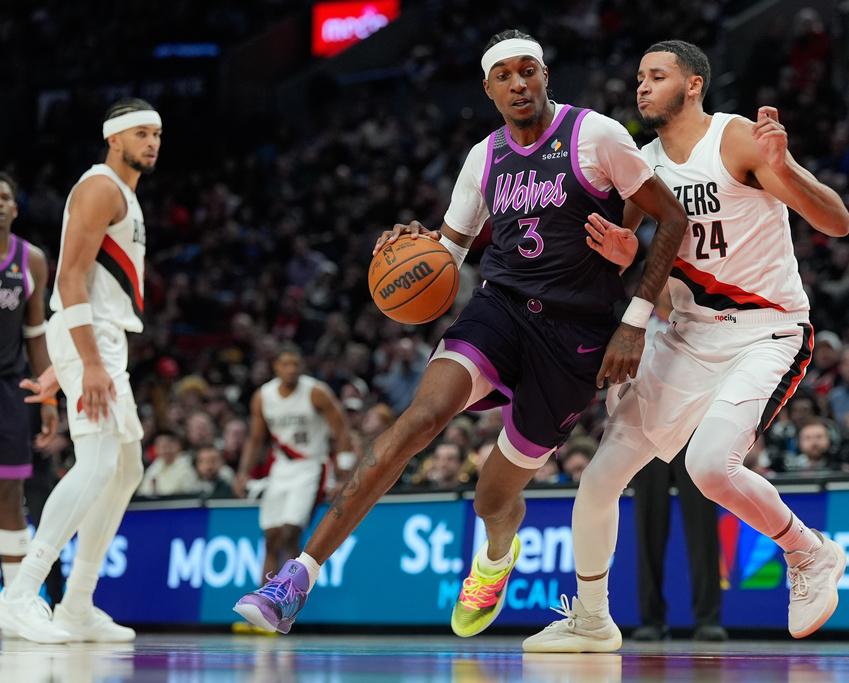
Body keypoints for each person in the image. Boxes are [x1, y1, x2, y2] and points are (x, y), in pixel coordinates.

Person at [233, 29, 688, 636]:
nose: (519, 83)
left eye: (529, 71)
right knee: (416, 422)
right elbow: (447, 255)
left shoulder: (596, 135)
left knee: (492, 500)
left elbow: (673, 218)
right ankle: (296, 577)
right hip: (498, 309)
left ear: (545, 75)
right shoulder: (483, 157)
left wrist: (634, 321)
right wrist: (412, 249)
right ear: (488, 89)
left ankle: (496, 557)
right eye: (505, 76)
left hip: (575, 336)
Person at [524, 39, 849, 653]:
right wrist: (624, 260)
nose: (642, 87)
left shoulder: (736, 139)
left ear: (694, 84)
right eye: (639, 77)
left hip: (767, 330)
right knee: (597, 482)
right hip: (686, 337)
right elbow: (628, 264)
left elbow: (837, 222)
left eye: (657, 76)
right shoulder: (640, 165)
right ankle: (592, 620)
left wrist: (786, 169)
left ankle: (808, 552)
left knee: (708, 468)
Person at [0, 98, 162, 644]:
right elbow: (69, 279)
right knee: (96, 465)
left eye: (157, 135)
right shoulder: (100, 188)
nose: (152, 143)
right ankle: (20, 594)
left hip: (99, 340)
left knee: (126, 470)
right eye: (141, 133)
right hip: (93, 341)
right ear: (113, 138)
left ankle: (77, 604)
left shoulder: (127, 197)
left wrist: (67, 364)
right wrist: (85, 362)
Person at [628, 284, 727, 643]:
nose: (669, 288)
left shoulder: (705, 324)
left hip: (694, 430)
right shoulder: (633, 328)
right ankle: (651, 619)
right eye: (664, 282)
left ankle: (707, 619)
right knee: (648, 527)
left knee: (702, 528)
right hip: (647, 433)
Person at [233, 342, 352, 587]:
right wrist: (243, 472)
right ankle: (261, 603)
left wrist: (344, 475)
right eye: (285, 364)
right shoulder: (263, 396)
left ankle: (285, 602)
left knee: (290, 532)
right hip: (280, 469)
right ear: (275, 367)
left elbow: (341, 430)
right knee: (270, 537)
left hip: (311, 466)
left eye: (296, 364)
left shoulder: (316, 392)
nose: (291, 369)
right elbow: (256, 439)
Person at [0, 172, 59, 589]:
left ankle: (16, 602)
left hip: (9, 388)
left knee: (10, 495)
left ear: (15, 208)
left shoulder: (31, 259)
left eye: (4, 197)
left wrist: (48, 400)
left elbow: (36, 336)